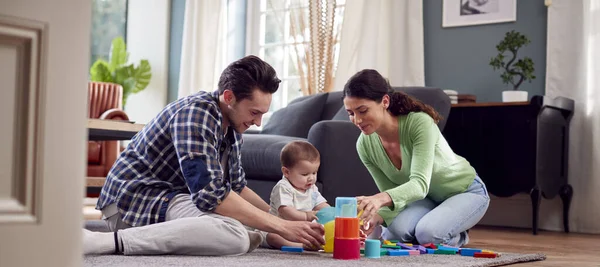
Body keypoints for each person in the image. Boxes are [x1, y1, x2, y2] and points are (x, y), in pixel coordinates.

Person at [83, 55, 325, 256]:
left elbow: (238, 188)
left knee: (240, 223)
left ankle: (261, 235)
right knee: (235, 236)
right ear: (228, 97)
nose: (258, 122)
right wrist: (281, 226)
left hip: (173, 199)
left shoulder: (232, 128)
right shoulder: (196, 114)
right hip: (135, 201)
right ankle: (108, 242)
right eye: (254, 112)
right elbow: (211, 196)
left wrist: (282, 222)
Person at [342, 69, 490, 247]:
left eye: (363, 111)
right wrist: (377, 217)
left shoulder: (419, 123)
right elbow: (394, 196)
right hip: (425, 200)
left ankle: (458, 234)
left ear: (385, 101)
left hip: (464, 191)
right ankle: (436, 222)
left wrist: (377, 199)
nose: (357, 120)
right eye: (351, 113)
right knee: (393, 235)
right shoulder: (364, 145)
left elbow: (419, 185)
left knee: (428, 234)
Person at [265, 141, 331, 249]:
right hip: (280, 228)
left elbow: (321, 204)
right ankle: (298, 245)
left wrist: (332, 212)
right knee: (273, 237)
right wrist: (306, 216)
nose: (311, 178)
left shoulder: (312, 188)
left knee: (319, 230)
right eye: (305, 174)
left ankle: (311, 242)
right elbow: (286, 211)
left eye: (314, 173)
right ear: (286, 172)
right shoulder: (283, 187)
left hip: (302, 229)